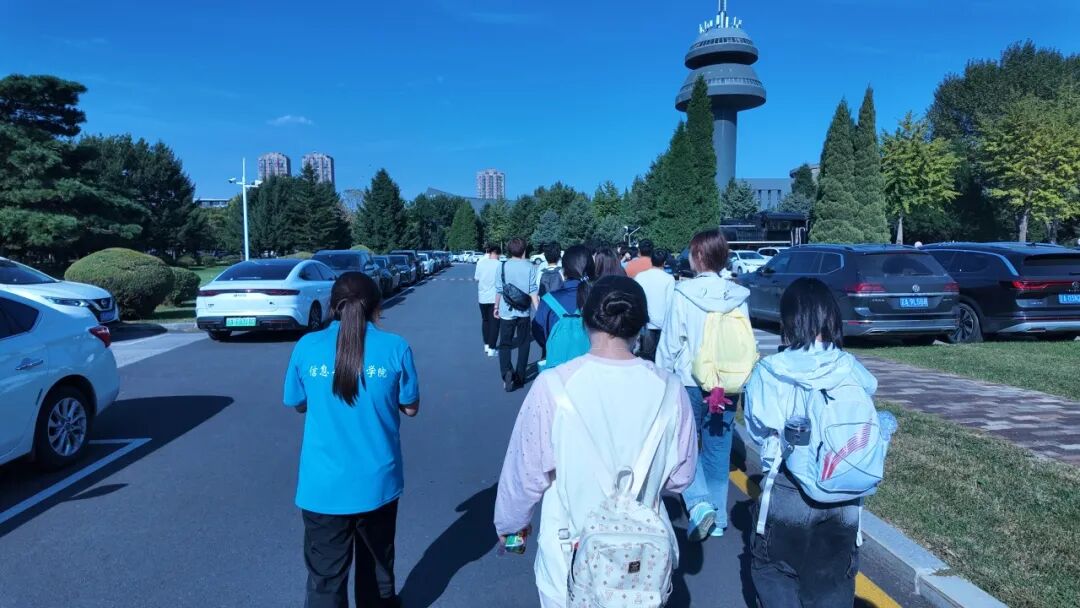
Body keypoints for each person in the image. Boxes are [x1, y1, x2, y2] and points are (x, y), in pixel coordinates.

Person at [494, 275, 698, 608]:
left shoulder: (553, 386)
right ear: (640, 327)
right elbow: (681, 478)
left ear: (586, 320)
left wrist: (511, 526)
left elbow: (524, 474)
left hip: (568, 556)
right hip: (642, 565)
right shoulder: (671, 390)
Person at [283, 272, 420, 608]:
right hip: (377, 483)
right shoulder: (396, 347)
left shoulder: (307, 346)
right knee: (377, 568)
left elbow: (297, 402)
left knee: (325, 578)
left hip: (323, 486)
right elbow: (411, 407)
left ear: (333, 306)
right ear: (377, 306)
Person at [744, 278, 878, 607]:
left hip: (788, 486)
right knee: (832, 582)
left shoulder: (770, 370)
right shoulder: (850, 367)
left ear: (788, 320)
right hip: (843, 486)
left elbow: (758, 430)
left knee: (776, 574)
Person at [657, 228, 751, 541]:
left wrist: (660, 378)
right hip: (727, 383)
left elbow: (671, 344)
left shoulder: (684, 293)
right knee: (718, 448)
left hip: (690, 381)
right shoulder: (737, 295)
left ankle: (699, 503)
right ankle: (719, 517)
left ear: (698, 256)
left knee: (682, 444)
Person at [496, 237, 539, 391]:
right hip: (523, 311)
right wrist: (538, 309)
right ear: (524, 250)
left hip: (506, 310)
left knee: (505, 344)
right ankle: (520, 377)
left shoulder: (502, 266)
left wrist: (496, 306)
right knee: (524, 343)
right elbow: (532, 289)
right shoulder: (530, 266)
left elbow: (499, 289)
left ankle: (507, 371)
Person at [532, 245, 594, 349]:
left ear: (564, 270)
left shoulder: (548, 300)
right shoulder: (600, 298)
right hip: (592, 356)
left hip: (558, 356)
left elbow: (538, 330)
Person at [634, 247, 674, 361]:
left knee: (646, 357)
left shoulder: (640, 276)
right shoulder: (669, 279)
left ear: (651, 260)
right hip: (662, 323)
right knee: (660, 358)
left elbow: (637, 299)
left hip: (645, 322)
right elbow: (669, 303)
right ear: (664, 262)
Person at [475, 244, 501, 357]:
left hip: (482, 297)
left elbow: (476, 278)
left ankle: (486, 345)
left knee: (485, 321)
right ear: (498, 254)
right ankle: (492, 348)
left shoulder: (481, 263)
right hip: (495, 298)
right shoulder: (499, 265)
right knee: (495, 323)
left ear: (489, 253)